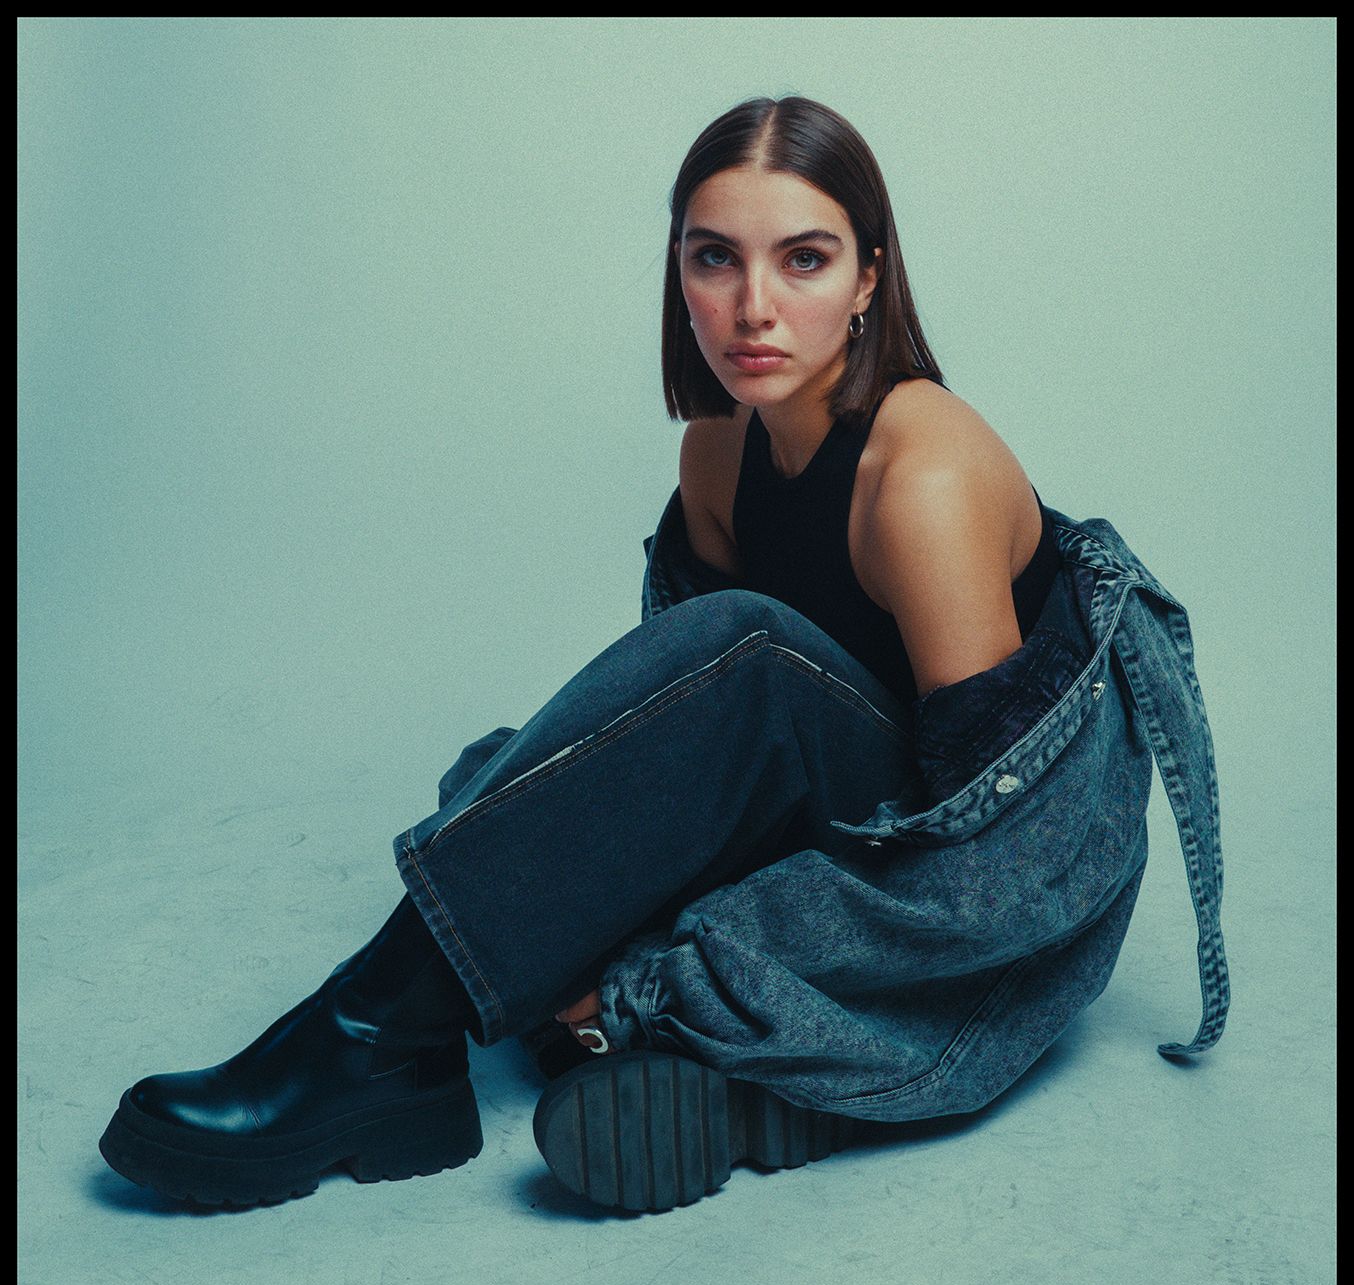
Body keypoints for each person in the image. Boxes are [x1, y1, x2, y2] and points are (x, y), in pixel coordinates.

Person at [99, 95, 1229, 1215]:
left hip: (988, 878)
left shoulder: (922, 476)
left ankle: (380, 1033)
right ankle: (706, 1067)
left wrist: (648, 955)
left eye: (803, 259)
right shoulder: (717, 450)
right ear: (677, 270)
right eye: (713, 258)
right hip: (842, 825)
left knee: (725, 667)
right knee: (499, 776)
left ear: (869, 279)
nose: (752, 307)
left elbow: (995, 873)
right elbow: (673, 755)